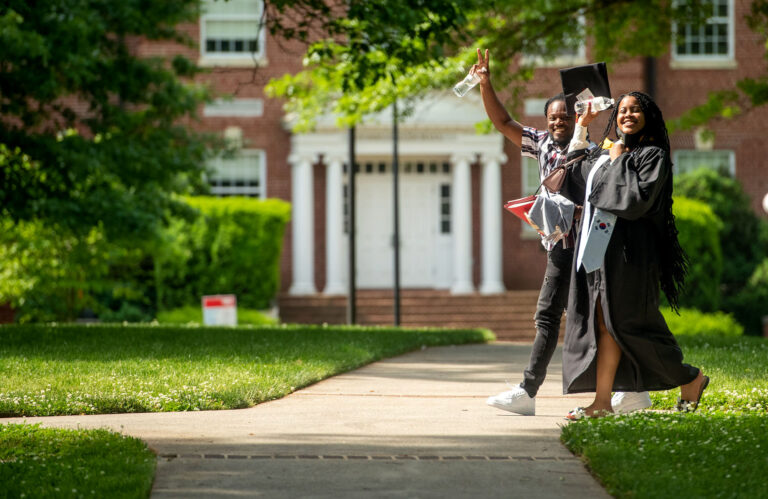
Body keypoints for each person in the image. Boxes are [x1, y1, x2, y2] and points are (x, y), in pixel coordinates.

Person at [472, 48, 651, 416]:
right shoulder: (539, 145)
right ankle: (528, 391)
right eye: (552, 118)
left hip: (591, 245)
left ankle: (634, 390)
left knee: (603, 317)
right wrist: (485, 85)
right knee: (549, 316)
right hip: (559, 247)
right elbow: (504, 122)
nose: (557, 122)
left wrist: (595, 119)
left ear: (575, 117)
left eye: (563, 117)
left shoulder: (590, 146)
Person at [559, 91, 709, 419]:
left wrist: (616, 160)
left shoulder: (651, 155)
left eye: (636, 109)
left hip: (631, 257)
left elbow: (636, 201)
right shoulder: (612, 152)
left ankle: (690, 377)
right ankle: (601, 403)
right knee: (603, 324)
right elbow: (574, 180)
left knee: (626, 325)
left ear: (649, 116)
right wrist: (582, 129)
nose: (628, 115)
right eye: (623, 110)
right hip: (599, 252)